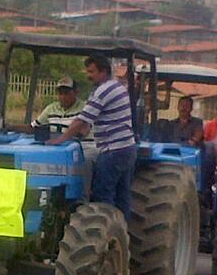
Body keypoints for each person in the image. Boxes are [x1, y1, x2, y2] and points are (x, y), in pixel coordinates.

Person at [47, 54, 136, 220]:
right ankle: (121, 235)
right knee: (122, 197)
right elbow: (90, 122)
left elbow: (81, 120)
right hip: (127, 148)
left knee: (102, 196)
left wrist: (61, 139)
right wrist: (81, 133)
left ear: (103, 71)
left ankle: (104, 236)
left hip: (112, 151)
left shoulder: (102, 91)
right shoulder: (118, 87)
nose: (88, 75)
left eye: (91, 71)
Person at [8, 77, 84, 133]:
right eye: (60, 93)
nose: (63, 97)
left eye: (66, 93)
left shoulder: (84, 109)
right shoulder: (51, 109)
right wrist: (11, 127)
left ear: (76, 92)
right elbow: (33, 127)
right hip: (57, 147)